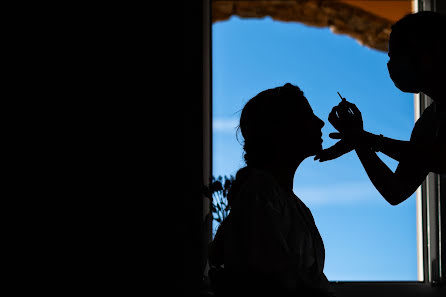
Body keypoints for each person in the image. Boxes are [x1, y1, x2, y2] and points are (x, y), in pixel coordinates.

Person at [208, 83, 335, 297]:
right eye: (307, 116)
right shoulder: (260, 194)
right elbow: (273, 282)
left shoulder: (290, 203)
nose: (320, 122)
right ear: (283, 129)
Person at [314, 11, 446, 206]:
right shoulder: (429, 121)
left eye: (396, 56)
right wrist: (359, 140)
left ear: (426, 53)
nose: (389, 66)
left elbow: (439, 159)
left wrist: (365, 139)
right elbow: (396, 191)